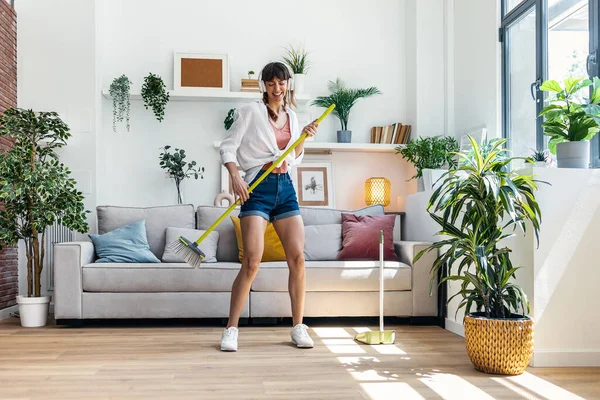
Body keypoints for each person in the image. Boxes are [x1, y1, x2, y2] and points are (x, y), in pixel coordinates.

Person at [218, 61, 319, 352]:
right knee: (251, 262)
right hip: (257, 188)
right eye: (272, 83)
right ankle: (231, 330)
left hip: (285, 188)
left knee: (297, 259)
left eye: (282, 83)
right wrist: (235, 176)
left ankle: (298, 327)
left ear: (288, 84)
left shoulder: (293, 116)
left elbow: (295, 157)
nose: (277, 89)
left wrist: (303, 138)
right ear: (264, 85)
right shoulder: (251, 111)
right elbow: (227, 146)